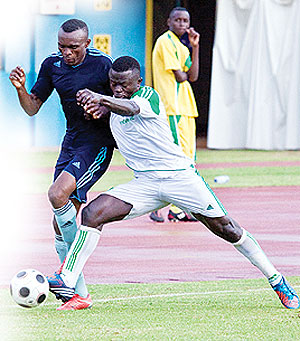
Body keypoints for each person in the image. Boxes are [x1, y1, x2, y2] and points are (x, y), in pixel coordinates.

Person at [46, 56, 299, 311]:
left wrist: (102, 99)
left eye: (124, 85)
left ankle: (278, 281)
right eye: (114, 84)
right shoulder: (112, 105)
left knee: (228, 229)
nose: (118, 89)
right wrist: (99, 106)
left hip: (179, 178)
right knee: (92, 213)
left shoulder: (147, 97)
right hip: (145, 184)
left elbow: (131, 108)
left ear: (139, 81)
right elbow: (112, 109)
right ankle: (67, 279)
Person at [9, 19, 116, 311]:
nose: (66, 53)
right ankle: (77, 294)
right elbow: (32, 107)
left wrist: (102, 108)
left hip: (97, 144)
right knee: (59, 223)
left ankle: (69, 283)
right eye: (61, 47)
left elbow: (121, 104)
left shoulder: (103, 65)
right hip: (70, 142)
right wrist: (20, 88)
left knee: (57, 195)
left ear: (87, 43)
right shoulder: (51, 65)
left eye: (73, 47)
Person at [150, 7, 200, 222]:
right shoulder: (165, 41)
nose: (182, 24)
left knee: (188, 158)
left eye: (185, 20)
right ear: (168, 21)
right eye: (177, 20)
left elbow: (194, 75)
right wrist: (185, 72)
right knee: (176, 158)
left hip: (186, 108)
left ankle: (177, 207)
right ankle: (159, 206)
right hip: (172, 108)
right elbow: (181, 77)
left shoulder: (182, 46)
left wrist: (195, 47)